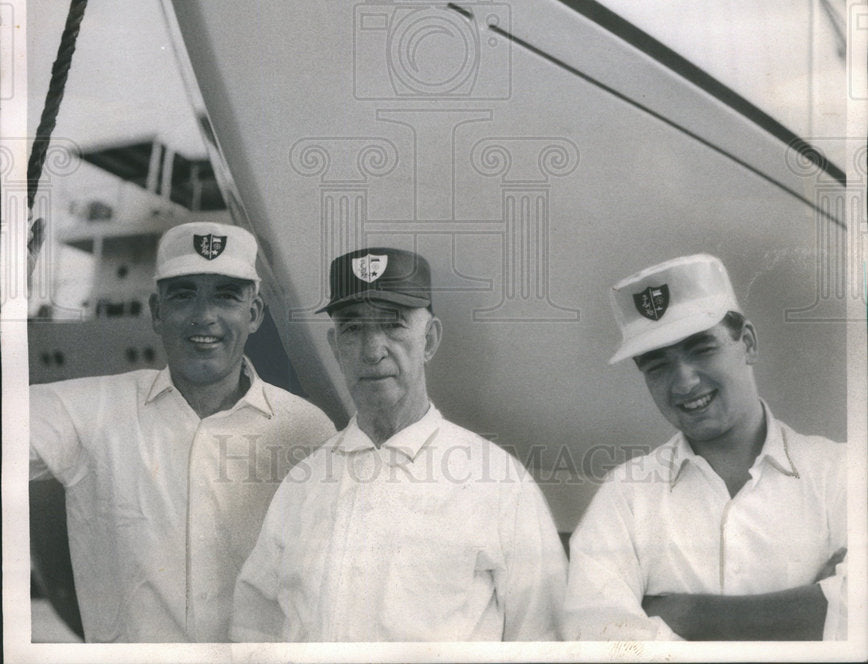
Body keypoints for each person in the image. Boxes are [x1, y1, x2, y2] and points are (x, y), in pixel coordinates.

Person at [231, 247, 567, 641]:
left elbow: (545, 638)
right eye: (353, 328)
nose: (373, 351)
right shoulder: (303, 485)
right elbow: (254, 625)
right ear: (335, 347)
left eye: (393, 324)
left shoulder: (498, 485)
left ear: (429, 340)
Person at [29, 221, 335, 642]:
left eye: (226, 296)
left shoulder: (308, 431)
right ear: (157, 312)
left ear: (255, 314)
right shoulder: (90, 413)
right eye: (184, 294)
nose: (204, 316)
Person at [563, 253, 847, 642]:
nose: (683, 383)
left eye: (701, 349)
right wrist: (812, 609)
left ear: (747, 343)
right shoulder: (626, 495)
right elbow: (595, 636)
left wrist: (688, 614)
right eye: (657, 365)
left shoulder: (843, 472)